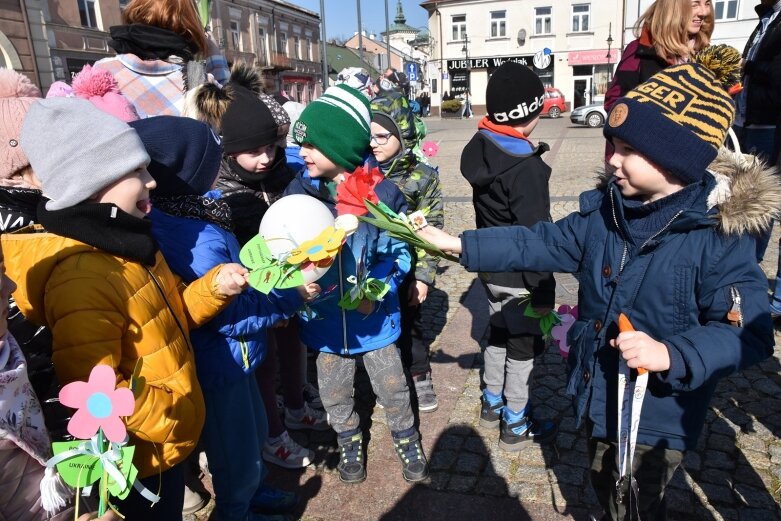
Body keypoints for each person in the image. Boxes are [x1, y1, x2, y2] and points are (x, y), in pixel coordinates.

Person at [419, 63, 777, 520]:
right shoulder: (605, 212)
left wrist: (672, 354)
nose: (611, 159)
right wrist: (458, 243)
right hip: (596, 389)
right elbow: (539, 240)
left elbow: (749, 332)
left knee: (637, 503)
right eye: (613, 144)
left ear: (677, 158)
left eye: (628, 150)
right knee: (602, 483)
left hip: (655, 418)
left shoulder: (718, 238)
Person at [2, 98, 249, 520]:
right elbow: (94, 386)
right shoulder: (84, 276)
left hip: (161, 445)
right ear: (92, 183)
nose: (151, 181)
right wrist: (171, 418)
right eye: (136, 171)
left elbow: (167, 318)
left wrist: (212, 289)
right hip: (136, 457)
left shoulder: (129, 243)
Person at [132, 115, 317, 521]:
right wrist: (289, 297)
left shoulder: (196, 210)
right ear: (186, 172)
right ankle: (236, 510)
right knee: (233, 451)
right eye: (211, 160)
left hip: (239, 358)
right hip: (219, 364)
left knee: (250, 438)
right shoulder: (189, 237)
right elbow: (227, 317)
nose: (220, 167)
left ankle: (252, 491)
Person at [284, 84, 429, 484]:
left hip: (374, 321)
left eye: (312, 144)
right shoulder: (299, 193)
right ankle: (348, 436)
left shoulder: (382, 194)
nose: (303, 153)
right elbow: (286, 248)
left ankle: (405, 435)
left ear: (342, 145)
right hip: (325, 323)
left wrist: (375, 291)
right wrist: (295, 284)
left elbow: (398, 253)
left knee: (392, 385)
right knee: (332, 391)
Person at [188, 71, 329, 470]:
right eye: (255, 150)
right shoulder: (224, 191)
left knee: (295, 343)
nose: (266, 156)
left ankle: (297, 404)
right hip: (256, 293)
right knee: (264, 361)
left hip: (294, 283)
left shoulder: (283, 173)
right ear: (230, 151)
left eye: (271, 146)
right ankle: (273, 433)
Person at [459, 62, 558, 451]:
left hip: (490, 266)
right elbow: (535, 238)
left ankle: (491, 400)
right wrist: (545, 290)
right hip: (520, 273)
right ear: (530, 112)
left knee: (499, 329)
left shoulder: (481, 147)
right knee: (523, 346)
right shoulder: (525, 169)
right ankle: (515, 422)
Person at [369, 91, 444, 413]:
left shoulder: (422, 177)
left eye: (382, 136)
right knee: (373, 324)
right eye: (368, 136)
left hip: (408, 268)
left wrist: (424, 277)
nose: (374, 143)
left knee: (410, 324)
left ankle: (419, 372)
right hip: (369, 268)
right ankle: (383, 378)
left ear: (402, 134)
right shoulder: (362, 170)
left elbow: (432, 229)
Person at [93, 0, 229, 118]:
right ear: (189, 25)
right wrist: (215, 54)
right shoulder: (197, 77)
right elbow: (233, 116)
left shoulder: (101, 71)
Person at [604, 0, 714, 112]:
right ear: (671, 6)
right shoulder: (639, 50)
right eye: (695, 4)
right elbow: (615, 104)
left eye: (707, 4)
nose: (704, 12)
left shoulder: (708, 54)